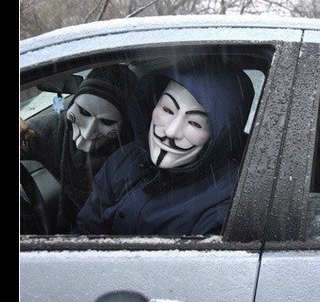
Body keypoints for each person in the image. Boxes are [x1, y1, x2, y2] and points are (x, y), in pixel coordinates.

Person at [75, 61, 254, 236]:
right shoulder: (125, 158)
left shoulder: (230, 200)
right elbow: (86, 231)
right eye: (168, 110)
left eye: (195, 123)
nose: (171, 131)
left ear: (221, 135)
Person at [20, 64, 137, 232]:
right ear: (73, 103)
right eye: (83, 112)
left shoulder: (131, 154)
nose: (88, 132)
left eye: (107, 121)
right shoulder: (56, 129)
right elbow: (27, 140)